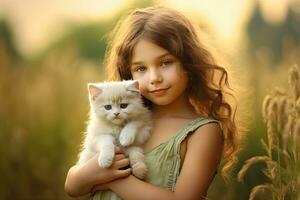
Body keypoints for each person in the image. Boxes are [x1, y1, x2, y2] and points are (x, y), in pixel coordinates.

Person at [65, 5, 240, 200]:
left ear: (189, 62)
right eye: (141, 69)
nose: (154, 78)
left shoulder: (203, 132)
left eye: (165, 63)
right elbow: (72, 186)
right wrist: (86, 175)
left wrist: (110, 179)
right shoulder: (123, 117)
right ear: (128, 75)